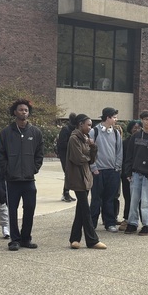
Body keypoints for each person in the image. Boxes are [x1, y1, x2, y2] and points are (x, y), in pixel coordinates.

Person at [0, 98, 44, 251]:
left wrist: (34, 168)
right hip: (12, 180)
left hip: (29, 179)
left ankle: (26, 238)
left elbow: (39, 153)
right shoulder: (6, 132)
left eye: (26, 110)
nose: (24, 112)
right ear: (15, 112)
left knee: (29, 208)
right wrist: (7, 170)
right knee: (12, 210)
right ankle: (14, 240)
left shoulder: (35, 132)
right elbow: (0, 154)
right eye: (21, 110)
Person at [65, 114, 106, 249]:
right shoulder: (74, 139)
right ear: (80, 124)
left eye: (91, 125)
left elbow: (92, 159)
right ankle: (92, 240)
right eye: (88, 125)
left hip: (86, 177)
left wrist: (93, 147)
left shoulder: (86, 138)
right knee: (85, 210)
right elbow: (77, 158)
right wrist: (88, 156)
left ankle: (74, 238)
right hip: (77, 177)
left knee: (81, 209)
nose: (90, 128)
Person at [124, 110, 148, 235]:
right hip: (135, 173)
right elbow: (129, 155)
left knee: (147, 200)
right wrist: (128, 171)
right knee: (133, 200)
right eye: (146, 119)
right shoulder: (135, 137)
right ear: (142, 120)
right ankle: (132, 223)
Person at [89, 107, 122, 233]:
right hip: (98, 171)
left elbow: (119, 151)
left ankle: (110, 223)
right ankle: (91, 224)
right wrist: (93, 167)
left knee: (110, 198)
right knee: (96, 199)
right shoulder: (94, 132)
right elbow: (89, 151)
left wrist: (117, 167)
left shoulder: (116, 133)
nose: (116, 120)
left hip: (112, 171)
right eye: (114, 117)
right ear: (107, 117)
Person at [119, 119, 141, 228]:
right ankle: (127, 218)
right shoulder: (125, 143)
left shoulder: (144, 141)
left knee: (142, 199)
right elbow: (123, 159)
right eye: (134, 128)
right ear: (130, 129)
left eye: (139, 128)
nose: (136, 130)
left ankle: (145, 220)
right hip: (127, 174)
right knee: (128, 197)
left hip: (141, 173)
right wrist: (126, 173)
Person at [55, 113, 77, 202]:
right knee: (68, 174)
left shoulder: (74, 130)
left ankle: (66, 192)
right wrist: (73, 145)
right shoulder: (66, 129)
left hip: (71, 155)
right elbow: (62, 144)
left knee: (70, 174)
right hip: (65, 155)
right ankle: (66, 193)